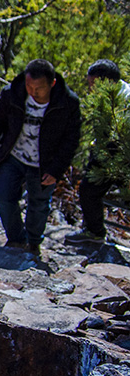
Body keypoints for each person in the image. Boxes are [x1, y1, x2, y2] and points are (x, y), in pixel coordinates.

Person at [0, 59, 80, 253]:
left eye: (39, 88)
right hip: (12, 156)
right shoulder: (12, 93)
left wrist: (56, 170)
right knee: (4, 197)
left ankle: (34, 243)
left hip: (44, 163)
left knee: (38, 204)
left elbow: (70, 141)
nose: (33, 91)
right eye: (29, 86)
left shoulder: (67, 102)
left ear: (52, 84)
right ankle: (16, 239)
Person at [66, 60, 130, 246]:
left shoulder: (126, 99)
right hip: (108, 155)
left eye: (93, 85)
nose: (90, 89)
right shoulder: (102, 98)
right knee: (88, 189)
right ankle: (94, 232)